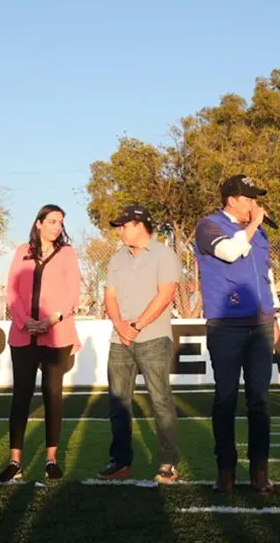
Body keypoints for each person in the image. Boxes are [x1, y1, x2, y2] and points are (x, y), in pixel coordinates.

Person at [194, 174, 280, 495]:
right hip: (226, 324)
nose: (254, 204)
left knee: (259, 399)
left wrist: (275, 315)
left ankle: (260, 472)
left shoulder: (259, 236)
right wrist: (254, 224)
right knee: (226, 398)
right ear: (232, 199)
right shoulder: (209, 226)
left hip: (260, 323)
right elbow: (230, 253)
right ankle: (226, 471)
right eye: (249, 198)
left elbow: (266, 275)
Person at [97, 205, 182, 483]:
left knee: (160, 401)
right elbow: (109, 296)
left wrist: (137, 325)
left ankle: (168, 463)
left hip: (153, 338)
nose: (120, 230)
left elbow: (166, 294)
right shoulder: (117, 259)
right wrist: (120, 325)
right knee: (118, 403)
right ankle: (120, 461)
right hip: (119, 339)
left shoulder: (164, 254)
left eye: (124, 225)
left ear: (140, 225)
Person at [0, 204, 81, 482]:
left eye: (60, 222)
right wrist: (25, 321)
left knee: (52, 395)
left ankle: (51, 458)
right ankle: (15, 461)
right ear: (39, 223)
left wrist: (51, 320)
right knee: (21, 396)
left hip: (56, 335)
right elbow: (11, 290)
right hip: (23, 335)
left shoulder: (68, 253)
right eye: (52, 221)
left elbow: (73, 292)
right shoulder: (22, 251)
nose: (57, 227)